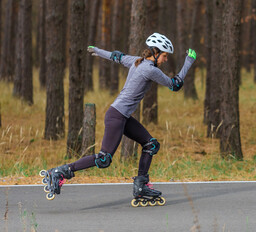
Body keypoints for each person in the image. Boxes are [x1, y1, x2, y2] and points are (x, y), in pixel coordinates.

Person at [40, 32, 196, 202]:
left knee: (151, 145)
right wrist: (188, 61)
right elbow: (175, 85)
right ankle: (60, 171)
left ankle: (141, 186)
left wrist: (98, 50)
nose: (166, 60)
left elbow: (117, 56)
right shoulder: (149, 70)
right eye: (165, 56)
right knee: (104, 159)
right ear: (156, 52)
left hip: (122, 116)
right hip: (117, 116)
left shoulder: (138, 61)